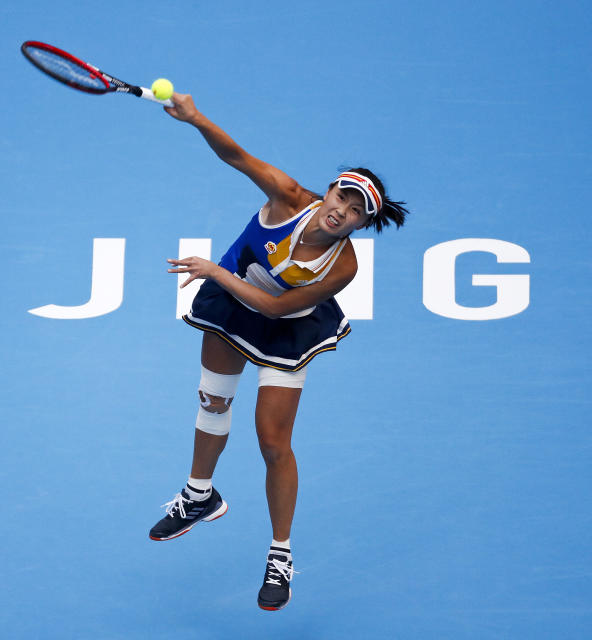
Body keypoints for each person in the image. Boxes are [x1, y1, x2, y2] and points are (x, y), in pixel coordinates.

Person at [148, 93, 409, 611]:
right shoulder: (288, 196)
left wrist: (217, 272)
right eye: (344, 198)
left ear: (361, 224)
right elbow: (237, 158)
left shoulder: (343, 266)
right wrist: (195, 117)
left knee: (272, 441)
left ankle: (280, 554)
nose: (344, 212)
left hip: (284, 326)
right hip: (233, 305)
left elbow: (274, 308)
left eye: (357, 213)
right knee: (212, 401)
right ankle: (201, 496)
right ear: (330, 189)